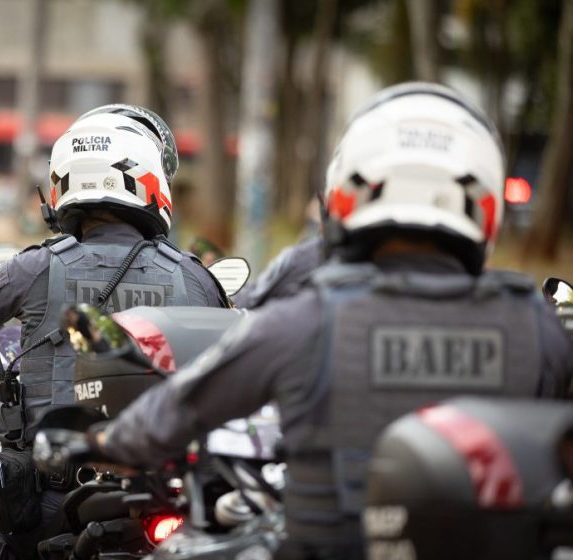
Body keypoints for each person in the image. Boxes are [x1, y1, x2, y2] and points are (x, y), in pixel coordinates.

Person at [86, 83, 573, 559]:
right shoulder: (538, 328)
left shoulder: (307, 318)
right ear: (485, 207)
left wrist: (96, 441)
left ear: (346, 195)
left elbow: (174, 414)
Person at [0, 104, 230, 559]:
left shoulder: (37, 265)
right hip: (164, 495)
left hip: (54, 498)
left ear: (63, 182)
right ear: (148, 180)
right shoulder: (196, 278)